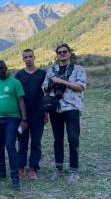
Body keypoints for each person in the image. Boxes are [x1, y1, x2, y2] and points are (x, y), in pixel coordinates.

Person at [42, 43, 86, 185]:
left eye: (64, 51)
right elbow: (44, 87)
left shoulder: (78, 69)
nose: (62, 54)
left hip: (72, 108)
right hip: (55, 108)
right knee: (57, 140)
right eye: (59, 52)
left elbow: (80, 87)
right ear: (57, 54)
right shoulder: (52, 70)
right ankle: (58, 168)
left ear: (69, 53)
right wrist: (48, 86)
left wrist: (61, 81)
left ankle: (74, 171)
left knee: (73, 140)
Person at [0, 60, 28, 191]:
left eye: (1, 68)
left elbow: (21, 101)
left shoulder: (15, 82)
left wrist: (24, 119)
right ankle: (2, 173)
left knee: (10, 146)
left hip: (13, 119)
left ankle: (15, 178)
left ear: (6, 68)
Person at [15, 49, 47, 180]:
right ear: (23, 59)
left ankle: (33, 168)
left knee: (36, 142)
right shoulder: (18, 75)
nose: (28, 59)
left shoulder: (42, 74)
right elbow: (16, 96)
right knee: (22, 141)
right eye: (25, 57)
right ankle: (21, 166)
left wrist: (46, 113)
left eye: (30, 56)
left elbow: (46, 95)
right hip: (22, 116)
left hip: (38, 114)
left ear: (34, 57)